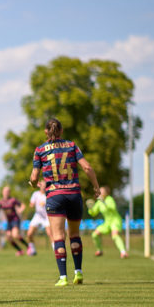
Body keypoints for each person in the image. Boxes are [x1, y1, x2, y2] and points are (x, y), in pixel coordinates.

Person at [29, 117, 100, 287]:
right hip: (74, 194)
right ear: (61, 131)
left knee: (58, 237)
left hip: (55, 196)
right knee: (74, 235)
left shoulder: (40, 150)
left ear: (46, 132)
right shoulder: (72, 145)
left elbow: (33, 177)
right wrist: (96, 186)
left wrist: (32, 184)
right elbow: (87, 167)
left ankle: (63, 277)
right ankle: (78, 272)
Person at [87, 186, 128, 259]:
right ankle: (99, 250)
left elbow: (112, 208)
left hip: (115, 220)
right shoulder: (99, 202)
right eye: (99, 191)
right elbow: (93, 213)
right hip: (107, 223)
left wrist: (104, 202)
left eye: (102, 191)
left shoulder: (110, 199)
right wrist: (90, 208)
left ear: (106, 193)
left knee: (115, 235)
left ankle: (123, 252)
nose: (100, 192)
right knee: (94, 234)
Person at [0, 185, 29, 256]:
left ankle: (28, 247)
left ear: (9, 192)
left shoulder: (13, 200)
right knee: (8, 237)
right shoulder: (1, 202)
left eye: (7, 191)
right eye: (5, 191)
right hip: (9, 221)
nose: (6, 193)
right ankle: (20, 250)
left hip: (15, 219)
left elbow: (23, 205)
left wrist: (21, 209)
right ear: (2, 192)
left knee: (15, 235)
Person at [25, 179, 52, 255]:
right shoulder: (35, 194)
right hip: (37, 215)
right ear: (40, 185)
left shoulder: (48, 195)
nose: (43, 187)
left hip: (46, 216)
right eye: (42, 185)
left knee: (49, 233)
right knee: (29, 234)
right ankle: (32, 250)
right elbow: (31, 204)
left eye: (44, 185)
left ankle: (55, 250)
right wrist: (32, 204)